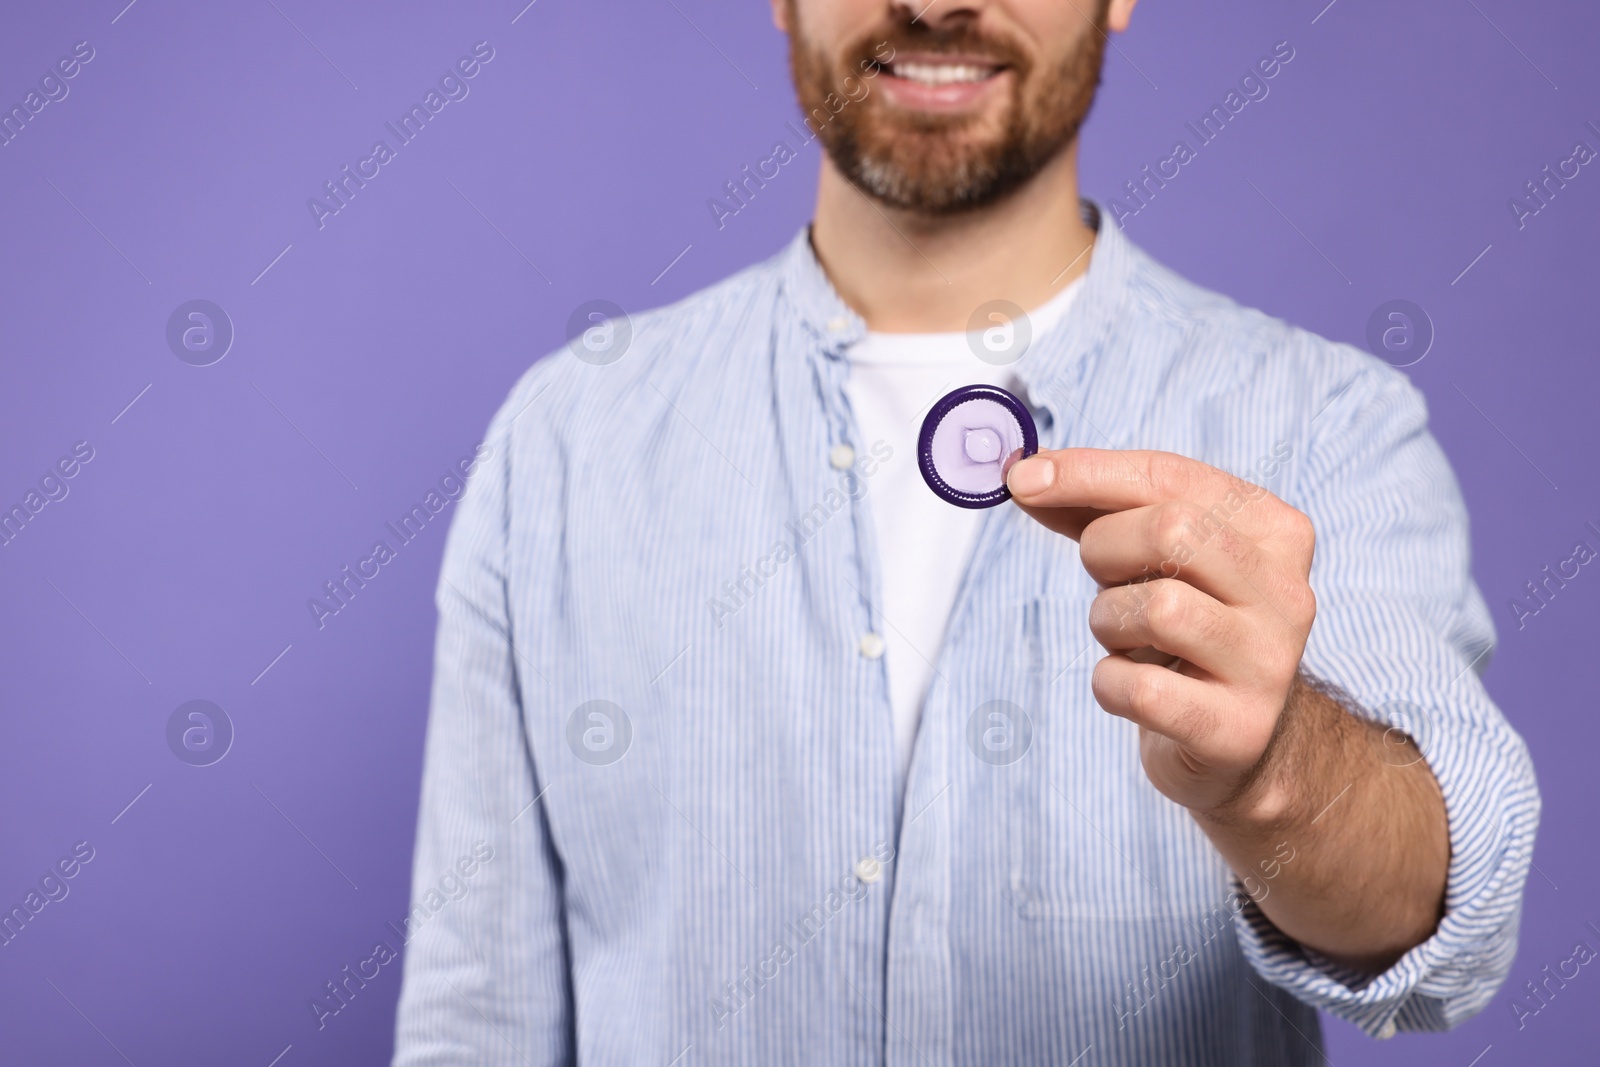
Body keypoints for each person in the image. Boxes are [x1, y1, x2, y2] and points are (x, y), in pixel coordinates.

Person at [391, 0, 1539, 1062]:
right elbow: (473, 1016)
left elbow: (1445, 920)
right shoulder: (566, 437)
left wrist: (1275, 765)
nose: (935, 1)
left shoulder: (1323, 422)